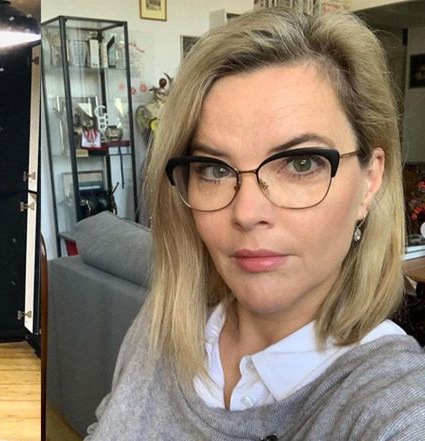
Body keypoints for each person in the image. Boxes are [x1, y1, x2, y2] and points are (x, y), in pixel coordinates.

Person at [86, 7, 425, 440]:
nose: (246, 213)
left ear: (370, 180)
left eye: (300, 163)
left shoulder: (393, 407)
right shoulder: (164, 324)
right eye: (214, 169)